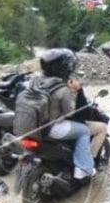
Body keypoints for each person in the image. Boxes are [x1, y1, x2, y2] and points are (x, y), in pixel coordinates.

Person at [38, 48, 97, 179]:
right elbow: (70, 112)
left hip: (33, 125)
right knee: (84, 131)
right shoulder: (62, 86)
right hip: (51, 128)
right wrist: (75, 91)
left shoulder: (38, 81)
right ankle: (83, 169)